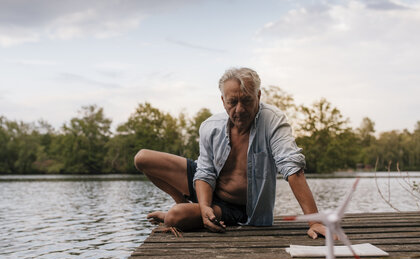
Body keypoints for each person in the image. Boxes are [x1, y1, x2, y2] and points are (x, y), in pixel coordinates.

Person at [134, 67, 326, 239]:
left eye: (247, 101)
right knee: (142, 158)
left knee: (175, 217)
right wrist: (203, 207)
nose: (239, 110)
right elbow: (205, 172)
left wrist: (314, 221)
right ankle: (186, 204)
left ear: (258, 96)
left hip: (236, 208)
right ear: (223, 101)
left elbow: (292, 167)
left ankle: (182, 212)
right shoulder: (210, 126)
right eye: (232, 102)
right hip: (208, 186)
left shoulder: (273, 121)